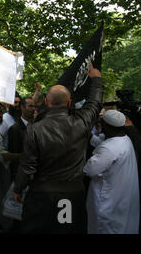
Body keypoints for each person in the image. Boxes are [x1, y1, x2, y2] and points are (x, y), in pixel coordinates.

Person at [13, 63, 103, 234]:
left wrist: (18, 188)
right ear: (69, 103)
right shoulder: (82, 123)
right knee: (65, 230)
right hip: (70, 195)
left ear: (46, 102)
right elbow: (95, 102)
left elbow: (27, 166)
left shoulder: (35, 129)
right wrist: (96, 79)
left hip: (41, 196)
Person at [84, 109, 139, 234]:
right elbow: (105, 146)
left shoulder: (109, 148)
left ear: (106, 125)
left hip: (108, 203)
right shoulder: (124, 139)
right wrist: (90, 136)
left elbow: (89, 169)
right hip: (121, 198)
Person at [7, 97, 36, 181]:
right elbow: (14, 156)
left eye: (34, 106)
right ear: (22, 107)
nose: (33, 109)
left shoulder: (38, 126)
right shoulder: (15, 129)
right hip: (22, 175)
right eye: (30, 106)